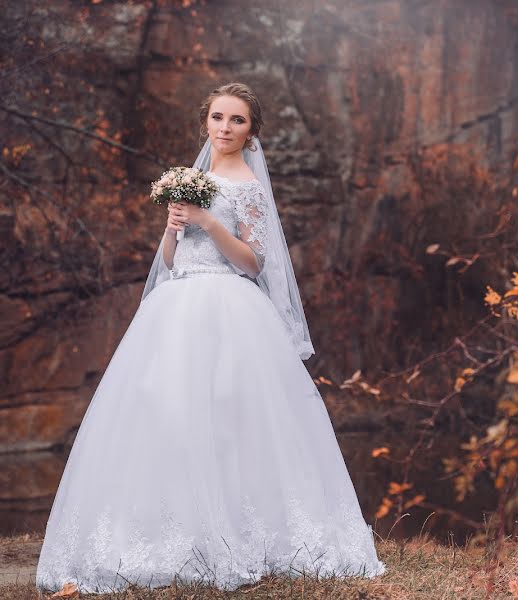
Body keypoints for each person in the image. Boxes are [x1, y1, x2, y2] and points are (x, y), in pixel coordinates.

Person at [35, 82, 386, 594]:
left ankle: (243, 530)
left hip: (232, 308)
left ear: (251, 129)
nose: (225, 128)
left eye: (237, 120)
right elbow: (172, 261)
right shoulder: (191, 178)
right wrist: (174, 226)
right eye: (218, 118)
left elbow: (253, 262)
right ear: (206, 121)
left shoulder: (249, 185)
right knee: (167, 412)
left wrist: (206, 221)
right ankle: (177, 529)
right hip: (176, 307)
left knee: (232, 417)